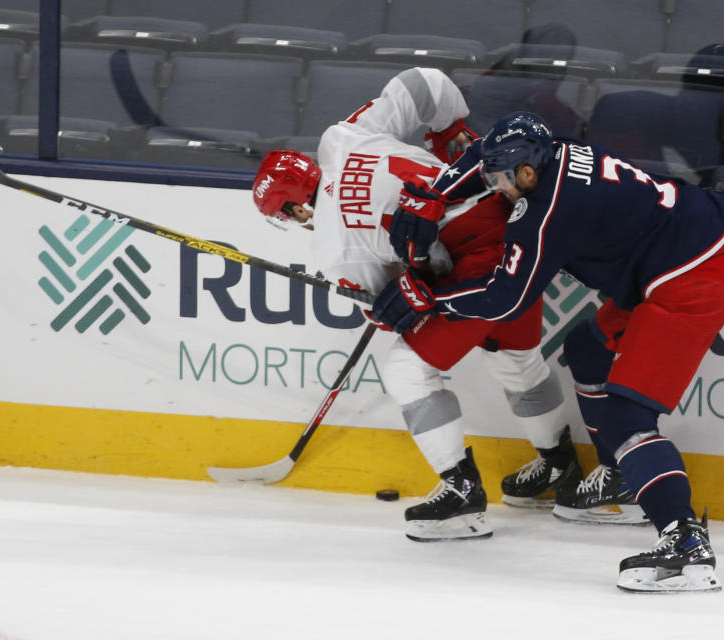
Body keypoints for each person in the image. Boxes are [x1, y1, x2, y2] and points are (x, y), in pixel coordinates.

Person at [371, 111, 724, 592]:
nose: (495, 188)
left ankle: (684, 541)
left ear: (528, 173)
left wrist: (426, 299)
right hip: (685, 248)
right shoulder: (559, 148)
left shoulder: (544, 215)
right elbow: (485, 147)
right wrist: (434, 194)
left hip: (689, 279)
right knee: (586, 348)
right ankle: (623, 476)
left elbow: (505, 299)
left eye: (502, 179)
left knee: (626, 418)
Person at [249, 69, 581, 542]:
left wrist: (394, 294)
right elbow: (423, 83)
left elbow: (391, 312)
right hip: (517, 221)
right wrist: (449, 132)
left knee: (407, 369)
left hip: (478, 258)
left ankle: (461, 494)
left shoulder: (333, 247)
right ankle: (559, 463)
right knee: (515, 358)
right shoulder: (342, 138)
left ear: (295, 210)